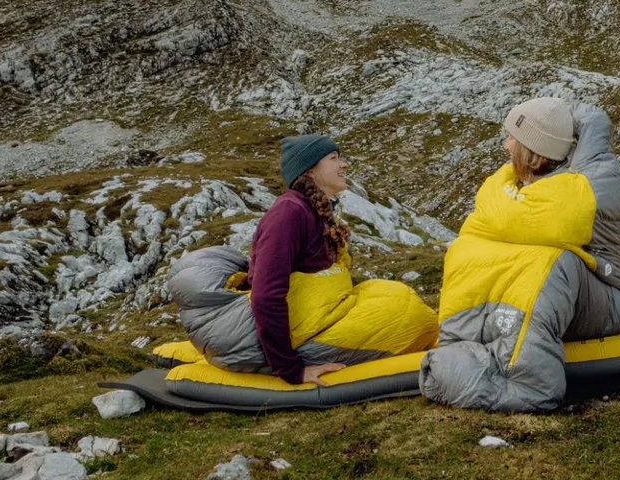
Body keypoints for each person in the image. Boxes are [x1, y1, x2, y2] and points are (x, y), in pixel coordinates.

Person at [420, 96, 620, 412]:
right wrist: (555, 119)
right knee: (469, 247)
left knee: (550, 263)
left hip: (611, 299)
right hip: (564, 303)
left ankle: (529, 383)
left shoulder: (589, 189)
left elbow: (553, 222)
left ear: (533, 152)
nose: (506, 145)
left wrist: (552, 124)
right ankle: (470, 338)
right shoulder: (522, 184)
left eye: (513, 138)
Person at [162, 134, 437, 385]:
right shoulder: (289, 213)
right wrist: (291, 370)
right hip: (288, 335)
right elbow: (267, 295)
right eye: (334, 158)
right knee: (409, 316)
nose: (344, 165)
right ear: (310, 170)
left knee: (391, 294)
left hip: (314, 320)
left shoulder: (313, 210)